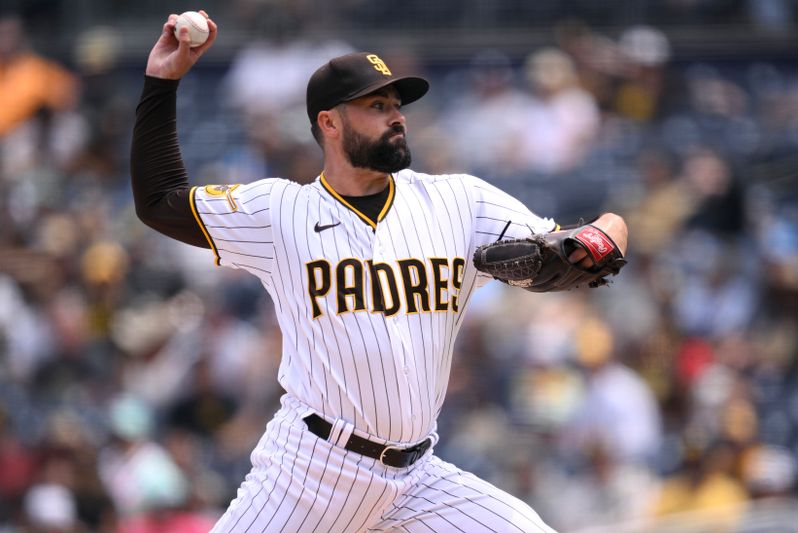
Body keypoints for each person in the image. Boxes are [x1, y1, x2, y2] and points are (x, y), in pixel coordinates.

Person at [131, 11, 629, 532]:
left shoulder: (458, 201)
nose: (397, 116)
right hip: (310, 473)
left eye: (397, 104)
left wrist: (604, 236)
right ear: (329, 123)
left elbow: (582, 244)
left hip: (419, 478)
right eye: (376, 105)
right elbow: (159, 201)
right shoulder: (280, 212)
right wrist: (162, 84)